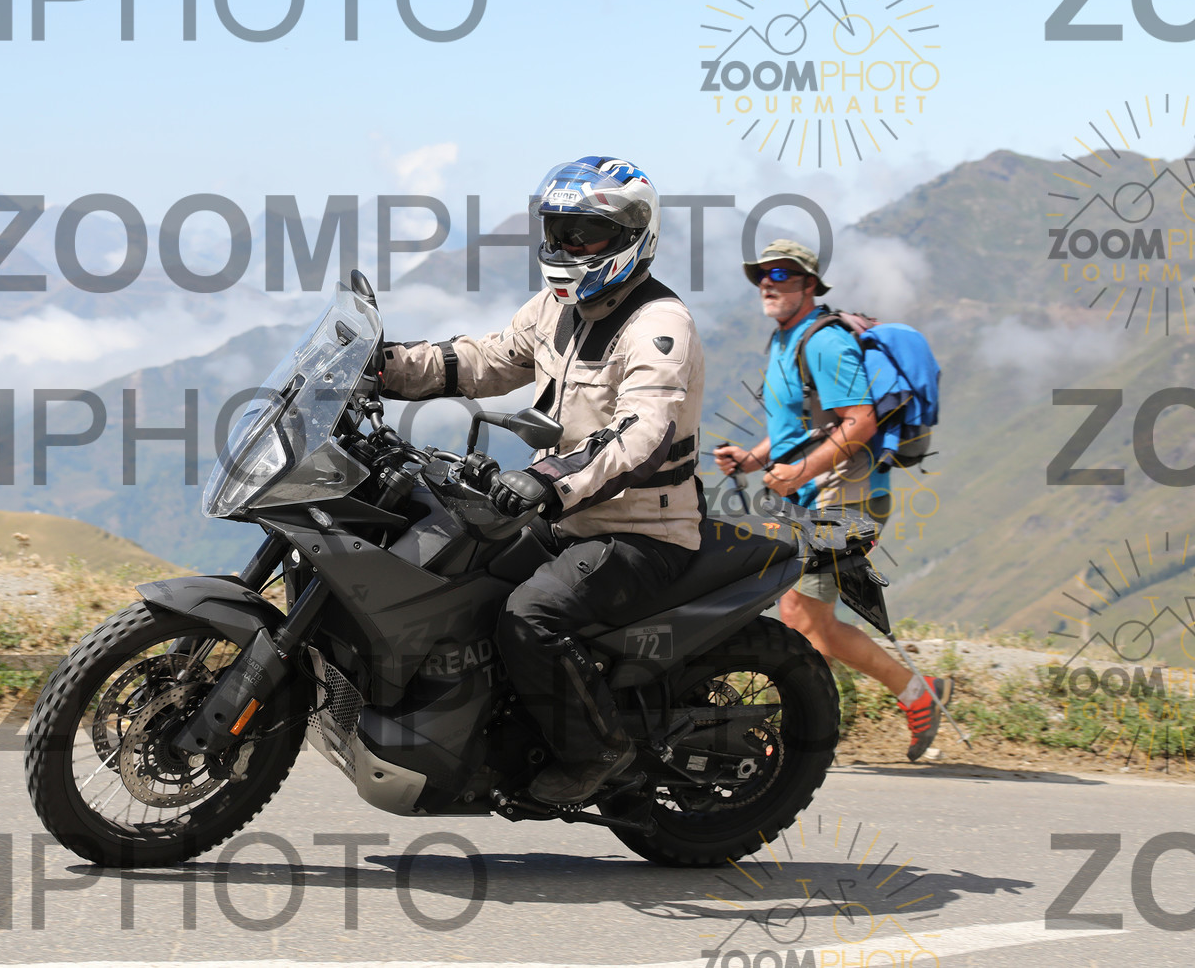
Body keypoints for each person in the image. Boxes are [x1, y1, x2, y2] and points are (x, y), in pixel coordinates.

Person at [381, 156, 703, 805]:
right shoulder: (558, 309)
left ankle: (597, 752)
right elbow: (484, 360)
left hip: (640, 529)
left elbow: (641, 434)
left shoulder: (660, 327)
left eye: (583, 234)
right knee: (454, 571)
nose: (565, 248)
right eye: (557, 231)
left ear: (630, 236)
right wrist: (382, 367)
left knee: (530, 615)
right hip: (562, 515)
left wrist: (547, 479)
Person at [711, 239, 950, 761]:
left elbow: (859, 422)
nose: (769, 282)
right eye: (762, 274)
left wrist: (798, 471)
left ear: (811, 284)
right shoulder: (786, 340)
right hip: (813, 499)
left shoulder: (824, 342)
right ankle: (917, 694)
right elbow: (803, 424)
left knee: (800, 616)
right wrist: (753, 459)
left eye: (783, 273)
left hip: (846, 501)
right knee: (812, 621)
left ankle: (802, 742)